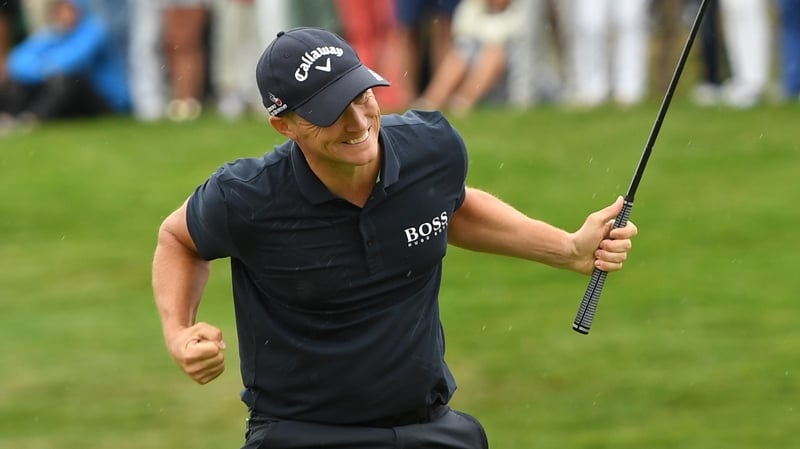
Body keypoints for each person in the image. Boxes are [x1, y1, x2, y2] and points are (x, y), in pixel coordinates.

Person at [151, 27, 638, 449]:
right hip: (303, 434)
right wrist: (178, 331)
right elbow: (178, 238)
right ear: (285, 125)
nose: (360, 123)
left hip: (428, 428)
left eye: (361, 95)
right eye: (330, 111)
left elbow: (450, 205)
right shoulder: (246, 197)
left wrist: (568, 249)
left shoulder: (432, 148)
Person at [0, 0, 130, 129]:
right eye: (59, 11)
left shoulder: (94, 30)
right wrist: (44, 68)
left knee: (68, 80)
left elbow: (71, 63)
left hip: (105, 101)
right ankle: (11, 116)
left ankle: (32, 119)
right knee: (19, 82)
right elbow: (17, 61)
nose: (63, 15)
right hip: (74, 102)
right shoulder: (53, 34)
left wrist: (42, 66)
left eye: (68, 10)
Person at [413, 0, 527, 115]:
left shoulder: (522, 10)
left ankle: (463, 102)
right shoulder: (474, 6)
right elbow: (462, 31)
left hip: (510, 77)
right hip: (477, 64)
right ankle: (431, 102)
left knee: (493, 53)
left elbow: (499, 36)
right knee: (460, 53)